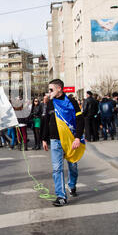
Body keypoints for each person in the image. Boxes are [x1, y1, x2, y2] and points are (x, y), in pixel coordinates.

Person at [41, 79, 85, 207]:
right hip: (55, 141)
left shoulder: (71, 102)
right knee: (57, 169)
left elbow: (80, 119)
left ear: (59, 88)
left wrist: (78, 137)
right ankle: (61, 196)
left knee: (73, 167)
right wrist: (44, 139)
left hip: (71, 140)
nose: (49, 92)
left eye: (51, 90)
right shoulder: (50, 104)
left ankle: (72, 185)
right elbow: (46, 121)